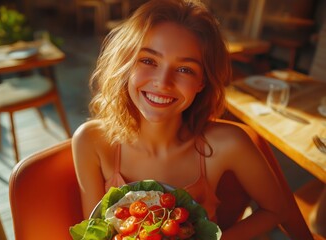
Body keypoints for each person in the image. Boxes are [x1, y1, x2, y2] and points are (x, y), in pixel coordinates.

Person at [72, 0, 286, 238]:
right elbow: (93, 233)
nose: (163, 82)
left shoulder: (229, 144)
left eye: (185, 69)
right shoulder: (91, 141)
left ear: (202, 82)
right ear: (126, 64)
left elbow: (275, 209)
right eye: (148, 60)